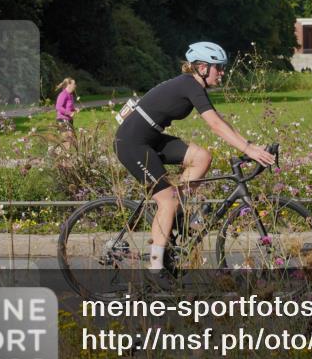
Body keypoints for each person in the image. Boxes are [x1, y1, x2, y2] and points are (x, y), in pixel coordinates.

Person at [114, 42, 276, 284]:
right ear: (202, 67)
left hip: (151, 138)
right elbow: (215, 125)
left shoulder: (192, 85)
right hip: (131, 143)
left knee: (202, 157)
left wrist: (250, 145)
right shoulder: (189, 84)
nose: (222, 73)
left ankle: (180, 212)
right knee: (166, 199)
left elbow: (220, 120)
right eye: (218, 68)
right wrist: (248, 150)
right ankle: (156, 268)